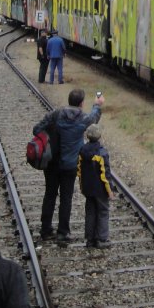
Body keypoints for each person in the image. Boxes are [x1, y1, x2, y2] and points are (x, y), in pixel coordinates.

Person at [33, 89, 104, 244]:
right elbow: (94, 118)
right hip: (70, 166)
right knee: (66, 198)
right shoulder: (83, 119)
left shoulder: (56, 114)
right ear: (81, 103)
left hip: (52, 163)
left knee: (49, 195)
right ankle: (63, 233)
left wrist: (50, 138)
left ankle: (45, 230)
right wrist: (97, 105)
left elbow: (37, 129)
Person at [79, 123, 113, 248]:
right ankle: (102, 239)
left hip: (88, 188)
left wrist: (82, 187)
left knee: (90, 212)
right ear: (99, 136)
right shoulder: (102, 153)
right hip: (100, 190)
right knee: (103, 211)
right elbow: (105, 174)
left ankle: (90, 239)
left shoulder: (82, 150)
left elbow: (79, 170)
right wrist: (109, 190)